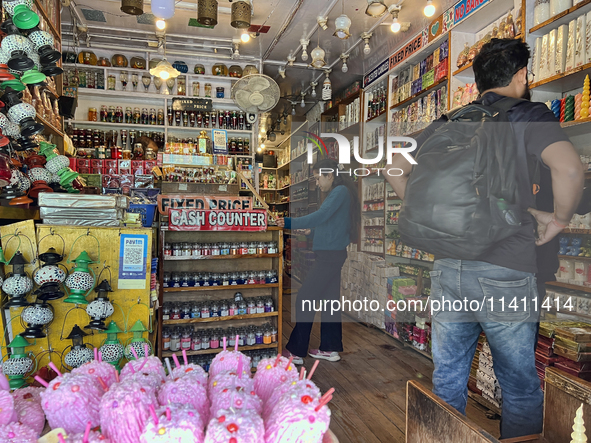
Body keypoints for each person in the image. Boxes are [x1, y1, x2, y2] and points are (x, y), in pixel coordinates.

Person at [385, 38, 585, 439]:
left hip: (448, 268)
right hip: (506, 269)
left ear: (478, 81)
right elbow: (569, 170)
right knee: (519, 385)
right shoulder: (529, 114)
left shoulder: (450, 120)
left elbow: (393, 168)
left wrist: (437, 219)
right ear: (521, 76)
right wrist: (558, 220)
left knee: (448, 377)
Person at [276, 158, 360, 364]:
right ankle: (330, 348)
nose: (317, 183)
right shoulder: (339, 192)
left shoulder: (339, 192)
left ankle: (296, 351)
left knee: (305, 297)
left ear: (329, 175)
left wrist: (289, 222)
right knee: (330, 302)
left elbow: (322, 216)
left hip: (329, 256)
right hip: (333, 254)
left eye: (318, 178)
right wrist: (311, 231)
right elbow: (333, 225)